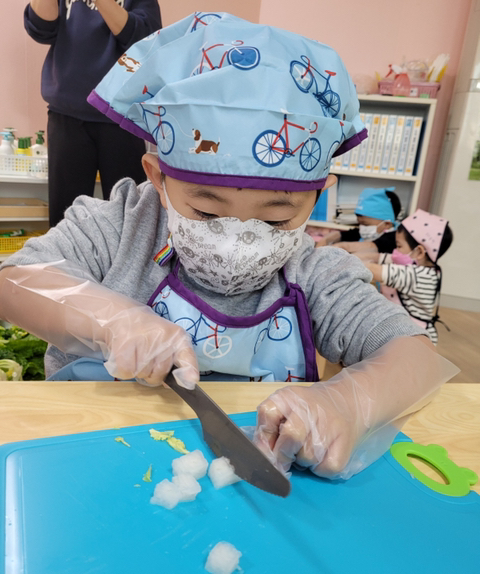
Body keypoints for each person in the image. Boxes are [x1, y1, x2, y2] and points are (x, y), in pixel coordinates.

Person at [0, 13, 457, 480]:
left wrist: (348, 401)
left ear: (317, 196)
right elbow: (14, 282)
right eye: (207, 211)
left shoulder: (315, 274)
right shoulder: (122, 225)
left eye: (276, 219)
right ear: (158, 178)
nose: (237, 240)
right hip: (86, 456)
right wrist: (110, 320)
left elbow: (415, 355)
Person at [24, 0, 162, 226]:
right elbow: (40, 29)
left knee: (128, 217)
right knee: (65, 219)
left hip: (121, 116)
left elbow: (144, 38)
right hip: (66, 113)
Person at [364, 209, 453, 345]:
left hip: (415, 340)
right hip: (400, 331)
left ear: (419, 252)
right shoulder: (414, 265)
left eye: (399, 246)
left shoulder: (419, 276)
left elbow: (375, 270)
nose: (395, 251)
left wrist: (345, 260)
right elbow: (378, 257)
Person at [315, 187, 401, 260]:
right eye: (359, 224)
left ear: (387, 224)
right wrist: (324, 240)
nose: (362, 228)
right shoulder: (362, 233)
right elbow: (343, 234)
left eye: (366, 224)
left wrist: (337, 248)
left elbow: (374, 246)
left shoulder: (394, 238)